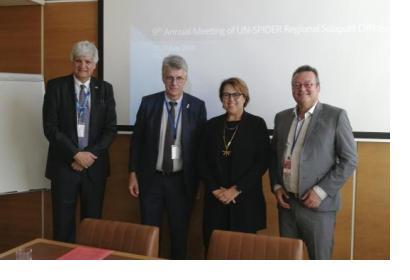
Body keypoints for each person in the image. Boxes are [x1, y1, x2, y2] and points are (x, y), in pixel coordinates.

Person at [269, 65, 357, 259]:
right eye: (297, 85)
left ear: (318, 87)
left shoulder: (336, 116)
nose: (302, 89)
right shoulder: (282, 117)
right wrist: (276, 186)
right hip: (287, 205)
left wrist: (320, 191)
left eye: (308, 84)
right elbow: (273, 155)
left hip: (318, 207)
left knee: (320, 261)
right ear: (292, 90)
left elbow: (349, 160)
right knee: (288, 259)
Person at [128, 55, 207, 259]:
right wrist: (132, 173)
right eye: (170, 77)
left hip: (181, 181)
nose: (174, 83)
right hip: (151, 179)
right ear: (163, 78)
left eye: (179, 78)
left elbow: (200, 149)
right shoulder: (149, 103)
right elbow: (136, 141)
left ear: (186, 79)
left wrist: (199, 182)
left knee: (180, 235)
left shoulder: (197, 106)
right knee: (149, 234)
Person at [42, 40, 117, 243]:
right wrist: (75, 154)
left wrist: (88, 156)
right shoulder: (55, 87)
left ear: (95, 65)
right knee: (62, 226)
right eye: (78, 60)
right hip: (64, 166)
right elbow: (50, 127)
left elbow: (110, 129)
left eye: (87, 61)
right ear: (72, 62)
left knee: (92, 227)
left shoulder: (105, 89)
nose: (83, 66)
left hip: (94, 168)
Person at [199, 77, 270, 248]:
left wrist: (235, 190)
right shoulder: (210, 126)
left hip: (245, 201)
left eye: (236, 94)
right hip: (216, 201)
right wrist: (215, 190)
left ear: (245, 97)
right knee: (215, 251)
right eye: (225, 95)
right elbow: (201, 161)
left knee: (243, 253)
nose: (230, 99)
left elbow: (262, 162)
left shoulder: (257, 124)